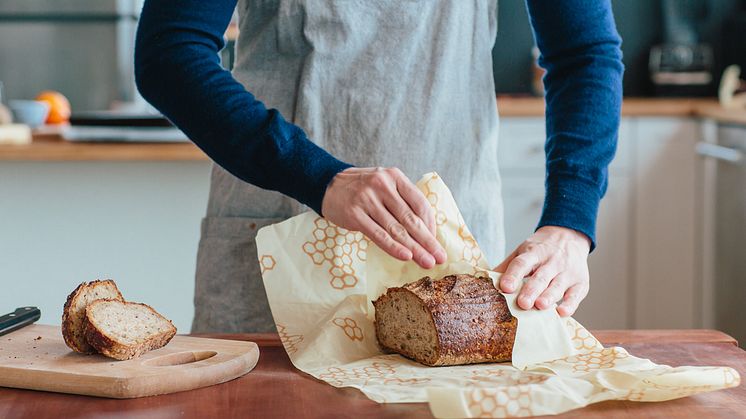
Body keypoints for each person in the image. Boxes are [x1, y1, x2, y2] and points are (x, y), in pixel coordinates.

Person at [135, 1, 623, 333]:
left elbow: (585, 52)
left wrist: (569, 222)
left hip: (452, 254)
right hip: (281, 235)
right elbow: (169, 51)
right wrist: (318, 177)